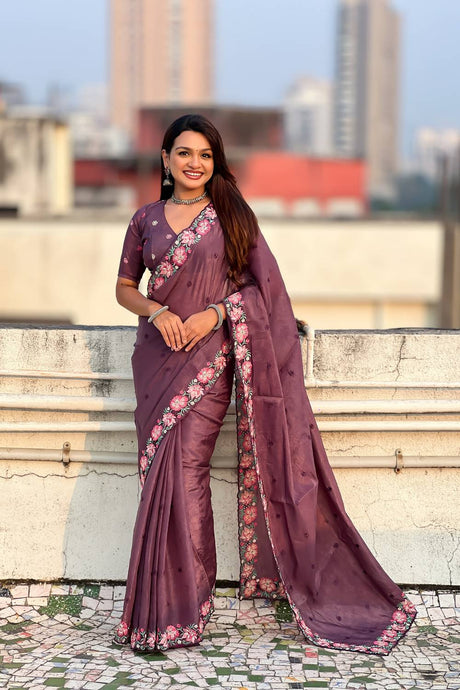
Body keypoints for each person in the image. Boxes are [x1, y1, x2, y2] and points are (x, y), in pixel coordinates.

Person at [114, 114, 416, 656]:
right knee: (159, 478)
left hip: (208, 362)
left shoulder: (232, 216)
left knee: (186, 474)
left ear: (216, 162)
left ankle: (187, 607)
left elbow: (263, 291)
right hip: (156, 359)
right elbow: (124, 288)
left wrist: (214, 314)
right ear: (165, 159)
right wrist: (157, 311)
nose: (194, 163)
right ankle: (155, 610)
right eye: (184, 153)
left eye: (205, 155)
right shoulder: (145, 219)